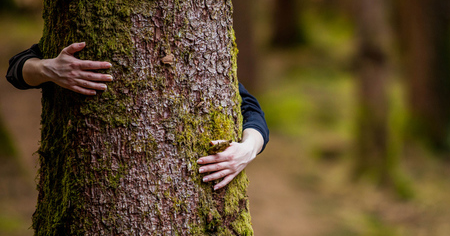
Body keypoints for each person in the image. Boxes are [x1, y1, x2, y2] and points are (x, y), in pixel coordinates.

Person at [6, 42, 268, 190]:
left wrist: (248, 149)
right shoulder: (90, 19)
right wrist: (46, 68)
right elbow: (16, 70)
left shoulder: (199, 41)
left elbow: (250, 108)